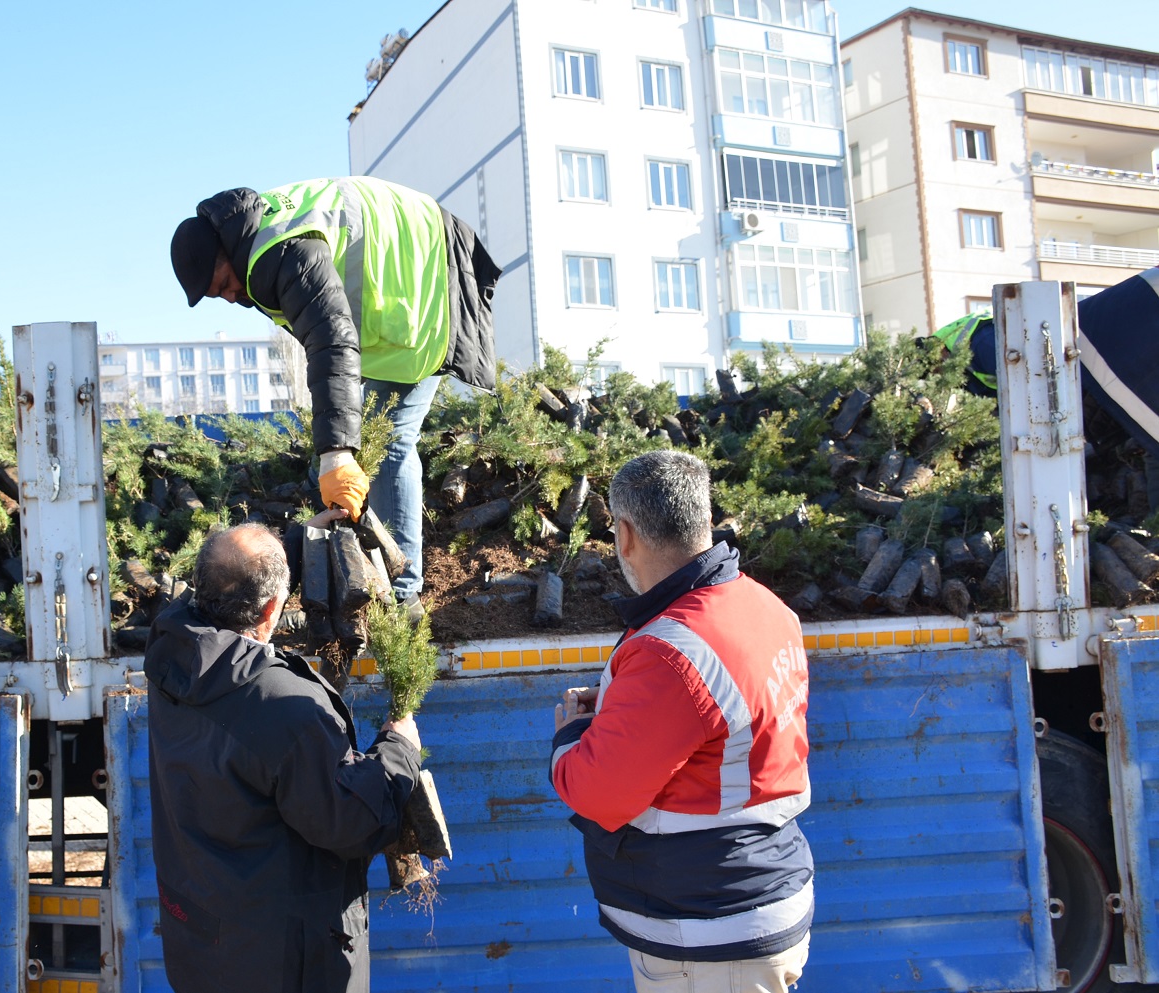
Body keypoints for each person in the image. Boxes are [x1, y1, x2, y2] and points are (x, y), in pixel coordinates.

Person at [170, 177, 502, 619]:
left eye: (226, 283)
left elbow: (331, 343)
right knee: (344, 450)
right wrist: (332, 453)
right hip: (402, 296)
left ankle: (402, 598)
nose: (232, 297)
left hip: (428, 288)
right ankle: (349, 565)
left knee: (391, 442)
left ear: (227, 252)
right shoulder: (256, 244)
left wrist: (337, 454)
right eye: (221, 296)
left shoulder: (283, 253)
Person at [549, 451, 813, 993]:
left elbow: (598, 791)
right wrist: (630, 702)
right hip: (757, 901)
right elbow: (723, 721)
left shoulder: (671, 650)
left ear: (625, 535)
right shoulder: (765, 607)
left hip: (710, 936)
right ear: (702, 518)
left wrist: (571, 733)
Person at [143, 520, 422, 993]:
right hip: (284, 967)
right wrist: (399, 750)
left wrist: (305, 533)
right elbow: (351, 824)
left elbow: (231, 577)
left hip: (204, 947)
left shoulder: (171, 652)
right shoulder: (282, 706)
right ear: (272, 608)